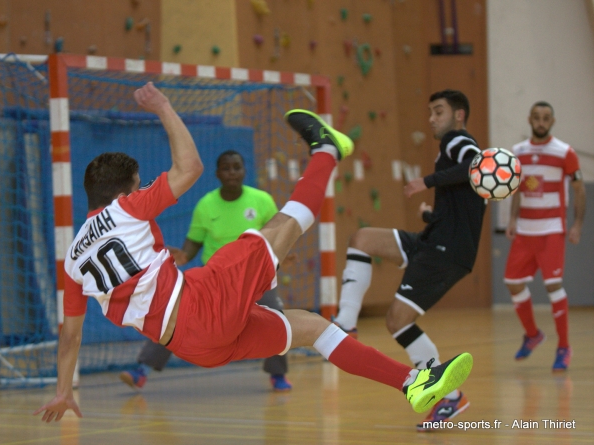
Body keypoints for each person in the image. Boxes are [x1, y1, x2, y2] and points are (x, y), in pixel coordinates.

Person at [34, 82, 474, 423]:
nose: (143, 187)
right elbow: (190, 168)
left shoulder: (72, 258)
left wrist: (64, 390)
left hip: (191, 345)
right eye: (139, 184)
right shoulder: (127, 207)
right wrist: (163, 107)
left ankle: (415, 383)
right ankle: (326, 149)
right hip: (201, 302)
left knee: (313, 328)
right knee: (283, 226)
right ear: (124, 190)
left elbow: (70, 336)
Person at [331, 90, 486, 431]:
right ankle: (346, 323)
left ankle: (449, 396)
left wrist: (425, 182)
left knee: (397, 321)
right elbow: (462, 209)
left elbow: (475, 162)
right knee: (361, 239)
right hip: (433, 241)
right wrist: (433, 214)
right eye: (430, 111)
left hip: (446, 253)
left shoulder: (458, 141)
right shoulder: (450, 147)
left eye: (439, 111)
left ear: (459, 115)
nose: (432, 118)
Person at [119, 150, 294, 392]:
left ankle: (278, 374)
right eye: (226, 168)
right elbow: (194, 242)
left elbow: (276, 235)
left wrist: (281, 253)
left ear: (244, 171)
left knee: (275, 314)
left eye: (237, 167)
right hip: (215, 279)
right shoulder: (206, 205)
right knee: (176, 313)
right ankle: (142, 370)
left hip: (254, 276)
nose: (232, 172)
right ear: (217, 173)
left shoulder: (262, 200)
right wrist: (184, 255)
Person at [504, 101, 586, 372]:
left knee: (553, 286)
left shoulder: (565, 152)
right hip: (525, 230)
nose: (541, 121)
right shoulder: (518, 152)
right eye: (537, 117)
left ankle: (564, 347)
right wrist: (513, 219)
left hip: (551, 229)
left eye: (546, 118)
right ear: (530, 119)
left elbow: (579, 189)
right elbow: (516, 190)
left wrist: (577, 225)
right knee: (512, 282)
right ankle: (533, 334)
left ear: (552, 121)